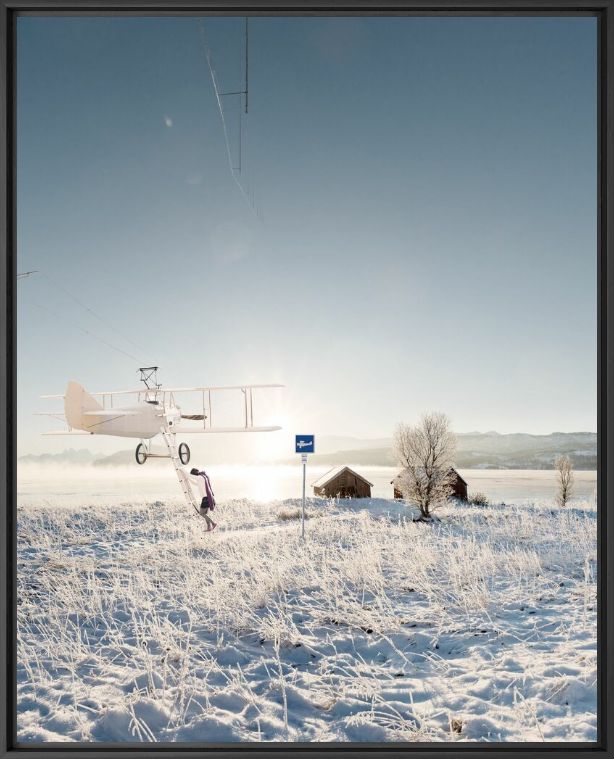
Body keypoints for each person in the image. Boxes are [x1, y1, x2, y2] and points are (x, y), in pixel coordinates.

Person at [190, 467, 217, 532]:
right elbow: (195, 483)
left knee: (201, 513)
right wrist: (188, 480)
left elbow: (189, 476)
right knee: (205, 514)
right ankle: (209, 528)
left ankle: (213, 523)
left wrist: (182, 471)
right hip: (209, 498)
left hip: (206, 498)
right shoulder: (203, 477)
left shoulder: (199, 477)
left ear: (194, 474)